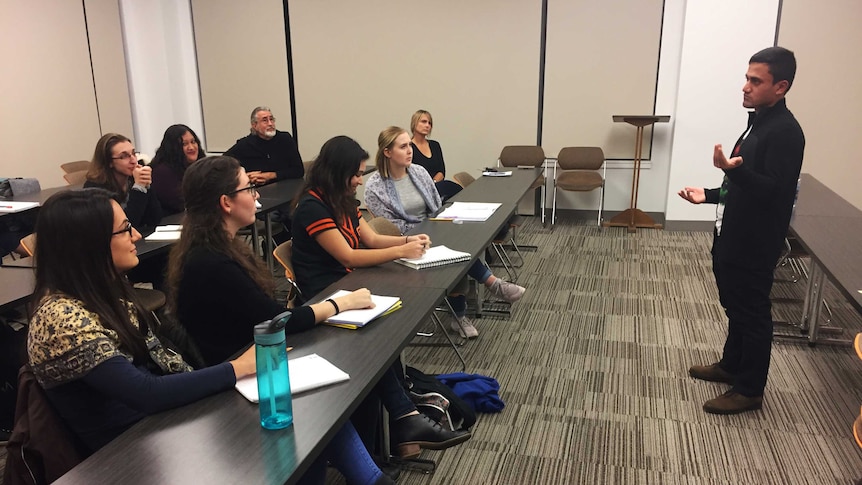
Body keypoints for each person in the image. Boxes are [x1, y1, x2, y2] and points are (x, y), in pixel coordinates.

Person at [291, 136, 472, 457]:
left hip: (351, 287)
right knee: (378, 336)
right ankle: (406, 421)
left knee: (389, 329)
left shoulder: (342, 200)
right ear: (336, 173)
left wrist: (406, 240)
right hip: (325, 297)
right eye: (356, 174)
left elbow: (371, 239)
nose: (360, 180)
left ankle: (405, 423)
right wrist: (402, 250)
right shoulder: (312, 206)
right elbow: (347, 255)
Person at [678, 46, 804, 415]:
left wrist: (731, 171)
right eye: (746, 78)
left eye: (755, 80)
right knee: (735, 306)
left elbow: (774, 191)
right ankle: (732, 365)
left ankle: (749, 388)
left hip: (755, 241)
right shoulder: (758, 121)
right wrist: (711, 195)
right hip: (734, 233)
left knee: (752, 312)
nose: (745, 87)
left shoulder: (785, 132)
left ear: (780, 86)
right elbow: (748, 183)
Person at [366, 127, 526, 338]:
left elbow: (436, 205)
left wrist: (443, 220)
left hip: (435, 227)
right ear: (387, 152)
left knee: (462, 241)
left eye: (410, 146)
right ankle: (484, 292)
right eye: (403, 146)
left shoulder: (419, 172)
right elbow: (392, 226)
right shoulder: (374, 187)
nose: (409, 151)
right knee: (456, 251)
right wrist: (427, 230)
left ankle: (465, 310)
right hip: (406, 242)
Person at [225, 106, 304, 241]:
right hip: (260, 197)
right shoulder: (244, 145)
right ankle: (275, 249)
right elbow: (224, 164)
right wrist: (245, 176)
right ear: (254, 125)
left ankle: (286, 248)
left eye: (271, 119)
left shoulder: (285, 140)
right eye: (265, 120)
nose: (270, 124)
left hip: (286, 193)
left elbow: (298, 170)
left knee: (296, 214)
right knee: (274, 217)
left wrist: (272, 175)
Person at [84, 133, 162, 233]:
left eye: (134, 154)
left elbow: (155, 219)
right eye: (124, 156)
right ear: (109, 162)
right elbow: (124, 228)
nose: (134, 161)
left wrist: (147, 186)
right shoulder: (95, 189)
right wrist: (139, 188)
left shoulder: (133, 179)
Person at [150, 124, 206, 214]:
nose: (191, 147)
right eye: (184, 144)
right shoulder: (162, 172)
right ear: (173, 147)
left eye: (193, 142)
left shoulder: (200, 166)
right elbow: (182, 204)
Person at [409, 110, 462, 201]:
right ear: (414, 123)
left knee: (453, 189)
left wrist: (433, 184)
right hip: (420, 190)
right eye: (424, 122)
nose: (427, 125)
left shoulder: (435, 145)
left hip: (436, 186)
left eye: (430, 123)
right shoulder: (408, 148)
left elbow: (441, 170)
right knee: (448, 187)